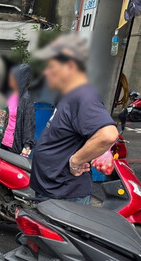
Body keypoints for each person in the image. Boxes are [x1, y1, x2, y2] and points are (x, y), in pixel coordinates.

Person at [30, 33, 119, 204]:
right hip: (52, 190)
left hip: (65, 194)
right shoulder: (66, 95)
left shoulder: (83, 95)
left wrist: (75, 161)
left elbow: (108, 134)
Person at [1, 64, 35, 157]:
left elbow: (29, 123)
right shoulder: (9, 95)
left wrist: (27, 145)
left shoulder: (26, 99)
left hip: (14, 145)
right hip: (1, 141)